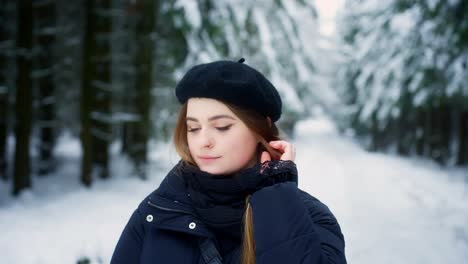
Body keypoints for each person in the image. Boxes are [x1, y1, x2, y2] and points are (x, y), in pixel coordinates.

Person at [110, 58, 347, 264]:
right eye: (193, 128)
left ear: (261, 128)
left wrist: (276, 195)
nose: (203, 141)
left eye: (222, 127)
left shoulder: (311, 217)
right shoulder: (156, 212)